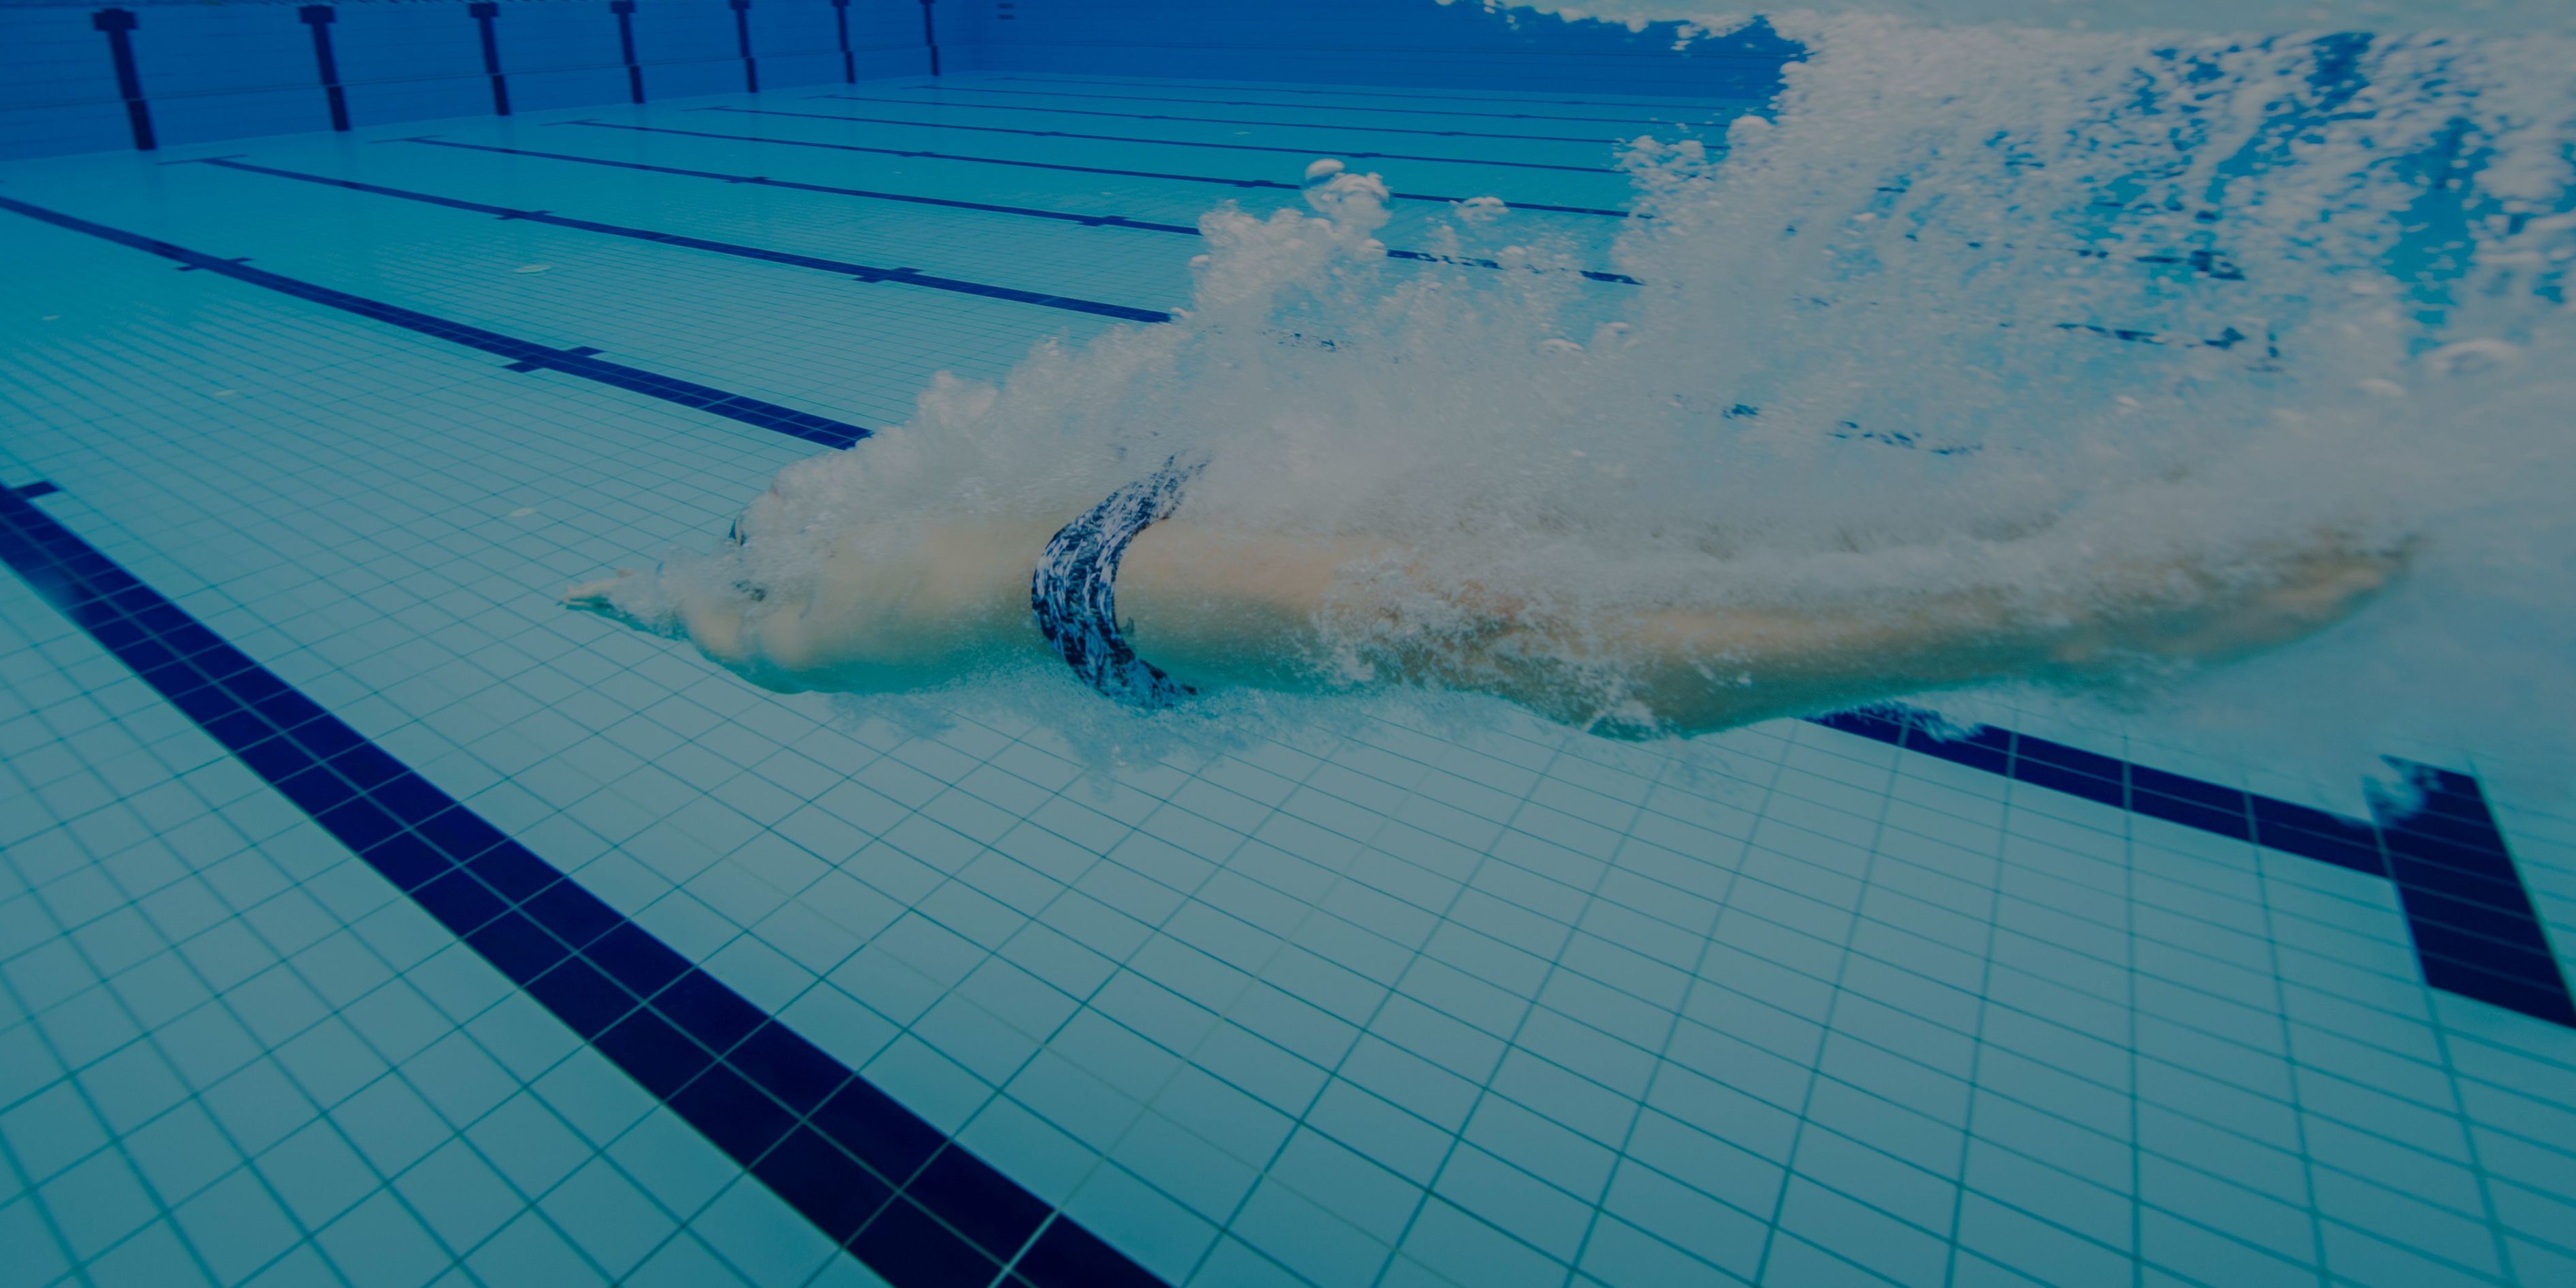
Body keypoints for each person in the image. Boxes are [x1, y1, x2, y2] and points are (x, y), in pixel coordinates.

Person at [562, 457, 2403, 737]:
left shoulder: (815, 594)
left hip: (1134, 561)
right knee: (1560, 622)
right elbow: (710, 617)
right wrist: (642, 599)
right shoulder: (788, 621)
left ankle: (2067, 585)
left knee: (1600, 577)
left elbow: (703, 605)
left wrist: (635, 595)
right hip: (1116, 568)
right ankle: (2061, 600)